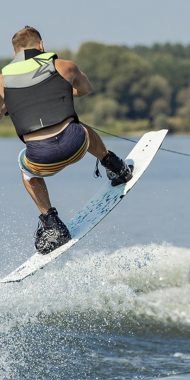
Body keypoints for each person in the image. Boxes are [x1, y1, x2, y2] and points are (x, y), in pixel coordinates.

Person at [0, 26, 133, 254]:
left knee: (25, 169)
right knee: (79, 126)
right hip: (77, 144)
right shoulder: (64, 66)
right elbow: (85, 89)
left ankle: (51, 223)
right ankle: (115, 166)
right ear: (40, 45)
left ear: (15, 53)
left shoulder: (3, 81)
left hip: (42, 160)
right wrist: (57, 92)